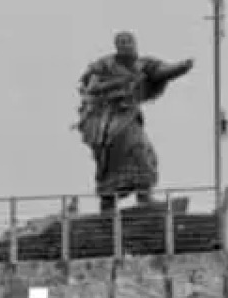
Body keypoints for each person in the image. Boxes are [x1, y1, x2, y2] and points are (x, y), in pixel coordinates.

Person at [76, 31, 194, 212]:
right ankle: (108, 203)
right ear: (116, 45)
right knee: (110, 163)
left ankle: (144, 197)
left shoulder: (143, 64)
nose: (125, 44)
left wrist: (180, 68)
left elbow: (162, 72)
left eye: (128, 41)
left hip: (129, 116)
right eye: (121, 41)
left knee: (142, 151)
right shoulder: (104, 65)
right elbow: (91, 86)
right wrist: (118, 83)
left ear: (135, 43)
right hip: (106, 121)